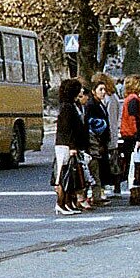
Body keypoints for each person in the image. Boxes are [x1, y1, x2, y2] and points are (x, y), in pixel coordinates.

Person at [53, 78, 88, 215]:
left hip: (71, 145)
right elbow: (67, 129)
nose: (82, 91)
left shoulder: (72, 105)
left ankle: (69, 203)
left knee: (72, 176)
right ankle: (60, 203)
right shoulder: (67, 107)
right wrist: (72, 146)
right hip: (65, 145)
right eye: (79, 88)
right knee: (65, 175)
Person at [119, 74, 140, 206]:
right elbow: (134, 120)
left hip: (132, 137)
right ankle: (135, 194)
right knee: (136, 166)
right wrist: (138, 138)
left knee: (138, 166)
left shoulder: (132, 99)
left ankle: (137, 193)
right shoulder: (133, 100)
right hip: (134, 138)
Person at [84, 78, 113, 206]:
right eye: (100, 89)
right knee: (95, 170)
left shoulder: (100, 104)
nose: (103, 92)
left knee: (100, 170)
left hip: (102, 141)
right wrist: (99, 142)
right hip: (95, 142)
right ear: (93, 91)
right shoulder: (91, 105)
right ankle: (95, 196)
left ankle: (98, 195)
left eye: (104, 90)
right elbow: (92, 125)